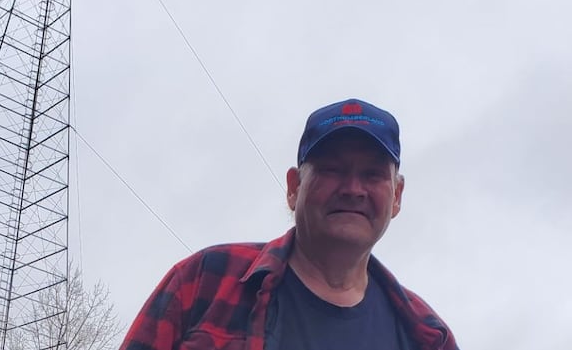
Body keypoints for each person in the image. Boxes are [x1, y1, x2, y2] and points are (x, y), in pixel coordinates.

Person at [119, 98, 459, 350]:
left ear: (397, 196)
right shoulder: (203, 281)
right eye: (332, 170)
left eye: (372, 175)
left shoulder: (428, 336)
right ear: (294, 187)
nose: (353, 189)